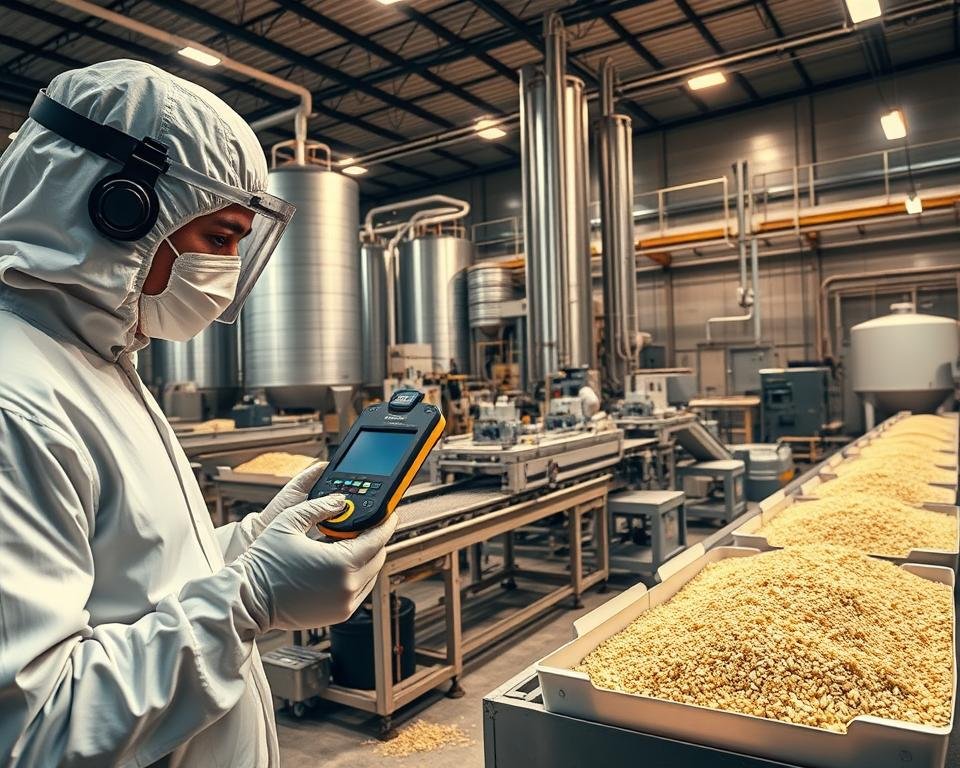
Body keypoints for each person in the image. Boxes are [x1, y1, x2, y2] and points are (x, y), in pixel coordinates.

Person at [0, 59, 394, 767]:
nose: (228, 269)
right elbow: (35, 733)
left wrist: (250, 544)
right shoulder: (17, 402)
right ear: (118, 209)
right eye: (220, 239)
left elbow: (139, 584)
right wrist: (246, 600)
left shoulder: (102, 362)